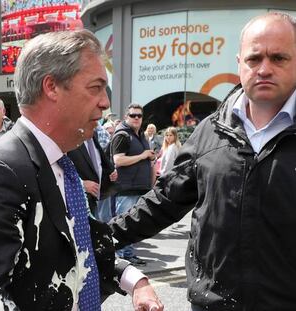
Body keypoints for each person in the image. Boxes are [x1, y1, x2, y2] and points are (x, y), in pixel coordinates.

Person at [0, 30, 162, 311]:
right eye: (95, 87)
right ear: (51, 87)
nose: (106, 102)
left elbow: (80, 247)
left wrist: (133, 279)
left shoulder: (61, 160)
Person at [109, 12, 296, 311]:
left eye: (279, 58)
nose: (264, 68)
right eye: (254, 58)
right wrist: (104, 237)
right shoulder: (210, 131)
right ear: (239, 64)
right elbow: (163, 201)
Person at [110, 103, 155, 266]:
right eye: (132, 115)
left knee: (134, 223)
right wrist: (143, 155)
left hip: (139, 187)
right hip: (125, 188)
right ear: (125, 117)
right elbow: (118, 160)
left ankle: (128, 254)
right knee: (124, 223)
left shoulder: (141, 135)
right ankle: (118, 257)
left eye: (139, 116)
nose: (136, 118)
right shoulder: (122, 135)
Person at [68, 133, 117, 222]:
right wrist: (82, 184)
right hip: (79, 201)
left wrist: (110, 171)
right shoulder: (70, 136)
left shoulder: (92, 134)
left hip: (98, 196)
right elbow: (59, 166)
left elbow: (97, 160)